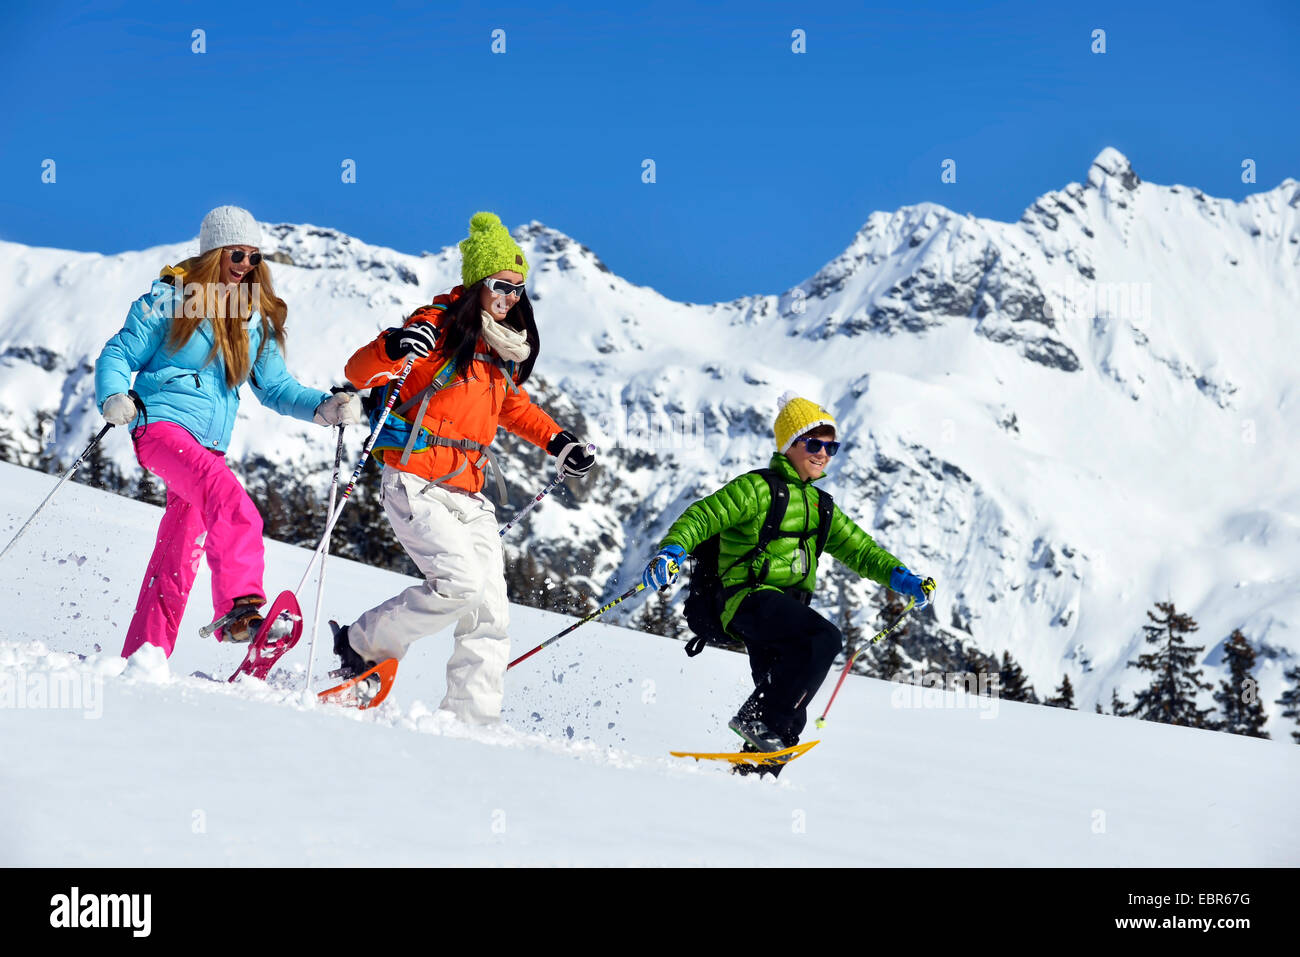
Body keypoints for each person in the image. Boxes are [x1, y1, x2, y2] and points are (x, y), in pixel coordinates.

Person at [330, 211, 596, 722]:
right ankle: (362, 644)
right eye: (501, 285)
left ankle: (473, 720)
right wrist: (393, 344)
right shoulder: (436, 327)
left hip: (468, 494)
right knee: (458, 584)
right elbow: (358, 370)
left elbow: (512, 407)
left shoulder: (495, 350)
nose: (510, 298)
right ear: (477, 282)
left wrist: (558, 441)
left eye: (519, 290)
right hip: (414, 481)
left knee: (490, 610)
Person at [95, 205, 362, 659]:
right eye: (237, 254)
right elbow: (119, 353)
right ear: (213, 253)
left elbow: (275, 387)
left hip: (209, 447)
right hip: (160, 426)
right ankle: (241, 609)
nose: (246, 266)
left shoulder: (253, 319)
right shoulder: (170, 299)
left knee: (178, 558)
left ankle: (144, 656)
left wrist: (324, 406)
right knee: (234, 504)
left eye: (255, 258)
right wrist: (113, 394)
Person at [642, 392, 936, 773]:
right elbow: (702, 517)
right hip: (748, 600)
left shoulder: (821, 505)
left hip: (787, 612)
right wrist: (672, 551)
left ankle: (751, 777)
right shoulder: (754, 490)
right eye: (814, 444)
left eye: (832, 447)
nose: (824, 454)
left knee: (784, 713)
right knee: (823, 640)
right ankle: (757, 722)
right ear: (789, 445)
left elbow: (861, 551)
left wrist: (903, 579)